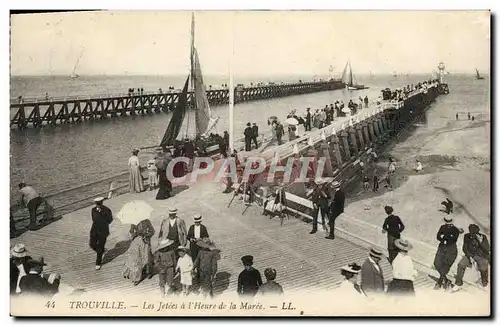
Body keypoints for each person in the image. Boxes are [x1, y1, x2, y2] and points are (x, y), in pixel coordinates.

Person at [155, 208, 188, 296]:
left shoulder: (180, 221)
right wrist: (160, 242)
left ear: (175, 213)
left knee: (177, 259)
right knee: (170, 258)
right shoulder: (165, 221)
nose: (171, 215)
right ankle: (171, 277)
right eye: (170, 214)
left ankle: (176, 274)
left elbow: (184, 232)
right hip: (167, 244)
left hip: (177, 243)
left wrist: (184, 243)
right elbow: (161, 232)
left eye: (173, 214)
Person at [452, 224, 490, 291]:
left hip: (481, 256)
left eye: (474, 232)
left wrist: (481, 242)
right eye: (471, 232)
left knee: (484, 267)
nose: (472, 234)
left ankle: (484, 283)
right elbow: (465, 248)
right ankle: (458, 283)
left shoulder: (483, 237)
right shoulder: (466, 236)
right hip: (470, 255)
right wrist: (470, 257)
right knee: (461, 264)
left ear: (477, 231)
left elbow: (487, 249)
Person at [122, 219, 155, 285]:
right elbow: (131, 231)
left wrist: (146, 235)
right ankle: (136, 278)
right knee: (136, 258)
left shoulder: (147, 221)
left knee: (147, 258)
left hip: (145, 241)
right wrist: (133, 234)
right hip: (137, 241)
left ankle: (149, 272)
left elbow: (152, 231)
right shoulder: (134, 222)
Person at [433, 216, 462, 290]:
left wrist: (444, 237)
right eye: (447, 223)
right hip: (441, 248)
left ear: (452, 222)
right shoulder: (442, 227)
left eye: (449, 223)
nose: (448, 224)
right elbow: (438, 236)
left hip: (451, 250)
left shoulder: (455, 230)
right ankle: (446, 280)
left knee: (445, 266)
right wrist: (446, 237)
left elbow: (453, 240)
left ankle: (439, 282)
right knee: (436, 263)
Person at [89, 197, 113, 270]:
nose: (98, 205)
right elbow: (93, 219)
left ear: (102, 203)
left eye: (99, 204)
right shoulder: (93, 210)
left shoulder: (107, 210)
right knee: (92, 244)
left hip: (103, 231)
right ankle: (101, 250)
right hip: (94, 230)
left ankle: (98, 263)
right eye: (97, 204)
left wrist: (103, 221)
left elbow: (110, 220)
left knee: (100, 247)